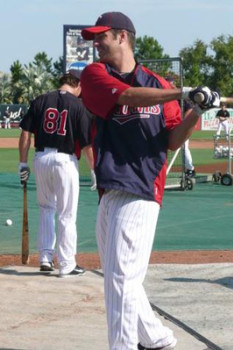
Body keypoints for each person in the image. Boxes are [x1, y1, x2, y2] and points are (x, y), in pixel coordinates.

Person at [80, 11, 220, 350]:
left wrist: (197, 111)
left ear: (123, 37)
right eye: (94, 38)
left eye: (102, 36)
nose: (96, 43)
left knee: (122, 281)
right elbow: (127, 96)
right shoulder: (96, 75)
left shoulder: (158, 84)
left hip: (142, 190)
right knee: (120, 279)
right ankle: (158, 339)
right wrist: (181, 93)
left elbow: (172, 141)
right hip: (110, 190)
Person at [18, 70, 92, 278]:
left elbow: (25, 133)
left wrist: (22, 163)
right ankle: (67, 264)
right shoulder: (78, 106)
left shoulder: (41, 100)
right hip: (64, 161)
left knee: (45, 208)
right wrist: (94, 171)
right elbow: (87, 145)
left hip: (41, 159)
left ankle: (45, 258)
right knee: (67, 214)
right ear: (77, 85)